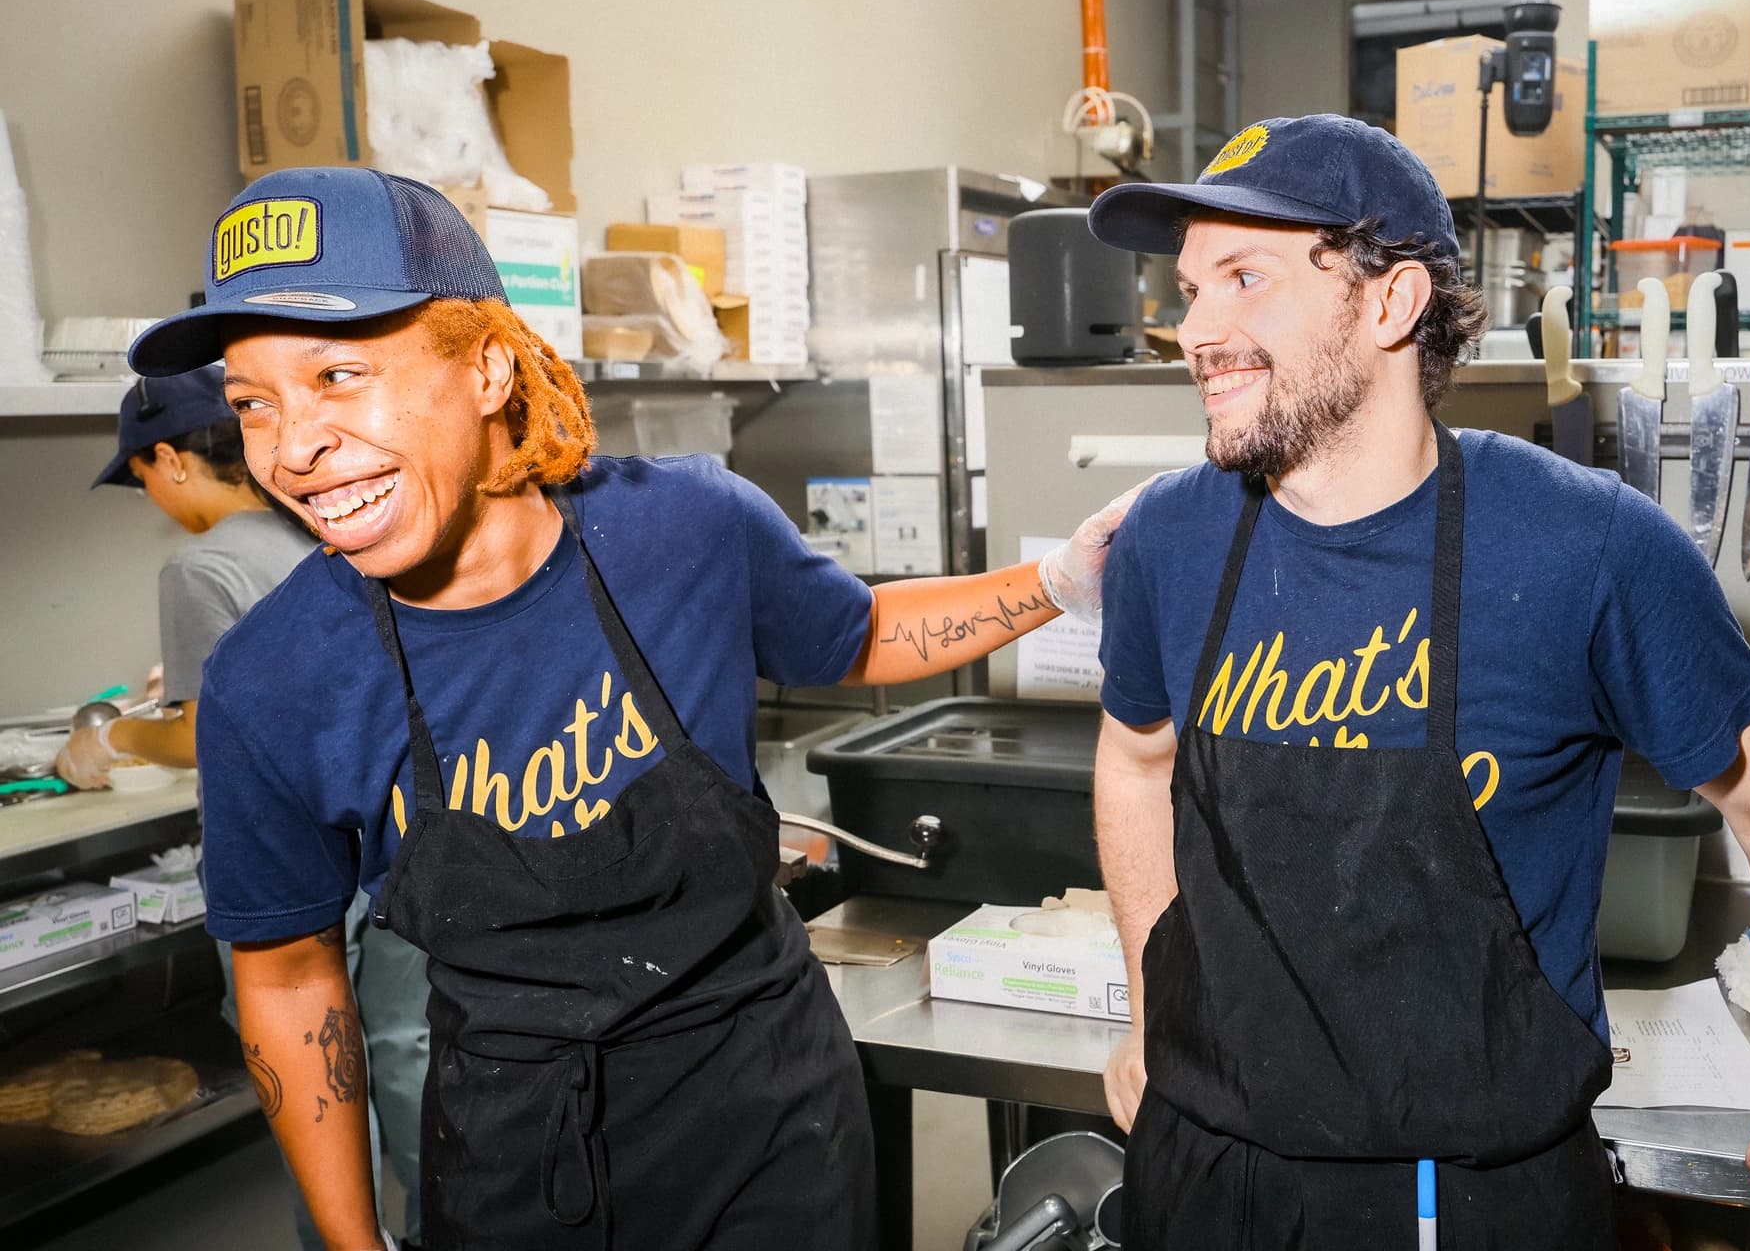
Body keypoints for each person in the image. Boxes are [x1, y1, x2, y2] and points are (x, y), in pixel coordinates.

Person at [128, 166, 1136, 1251]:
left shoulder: (685, 530)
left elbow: (858, 633)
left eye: (338, 374)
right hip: (514, 1151)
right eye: (253, 402)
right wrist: (352, 1241)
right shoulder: (273, 678)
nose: (293, 446)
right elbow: (286, 975)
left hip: (771, 1119)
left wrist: (1058, 583)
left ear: (487, 367)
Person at [1082, 115, 1750, 1251]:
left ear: (1390, 302)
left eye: (1244, 278)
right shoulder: (1169, 537)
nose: (1196, 331)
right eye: (1189, 290)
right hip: (1201, 1168)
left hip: (1459, 1192)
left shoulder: (1586, 547)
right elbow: (1135, 761)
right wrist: (1151, 1006)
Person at [55, 368, 431, 1250]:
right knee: (410, 1049)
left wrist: (111, 743)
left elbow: (199, 741)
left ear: (170, 458)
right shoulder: (323, 529)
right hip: (395, 836)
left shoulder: (200, 564)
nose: (148, 492)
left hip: (288, 859)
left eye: (141, 472)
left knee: (314, 1077)